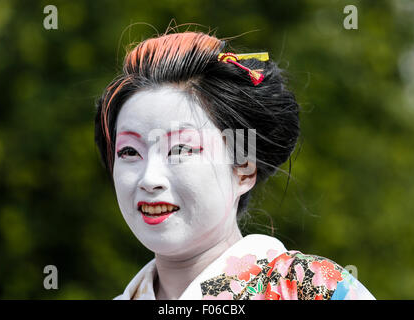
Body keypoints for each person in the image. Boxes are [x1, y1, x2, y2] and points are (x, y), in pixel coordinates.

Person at [94, 31, 375, 300]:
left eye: (180, 149)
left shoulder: (308, 289)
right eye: (129, 152)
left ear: (244, 168)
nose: (149, 178)